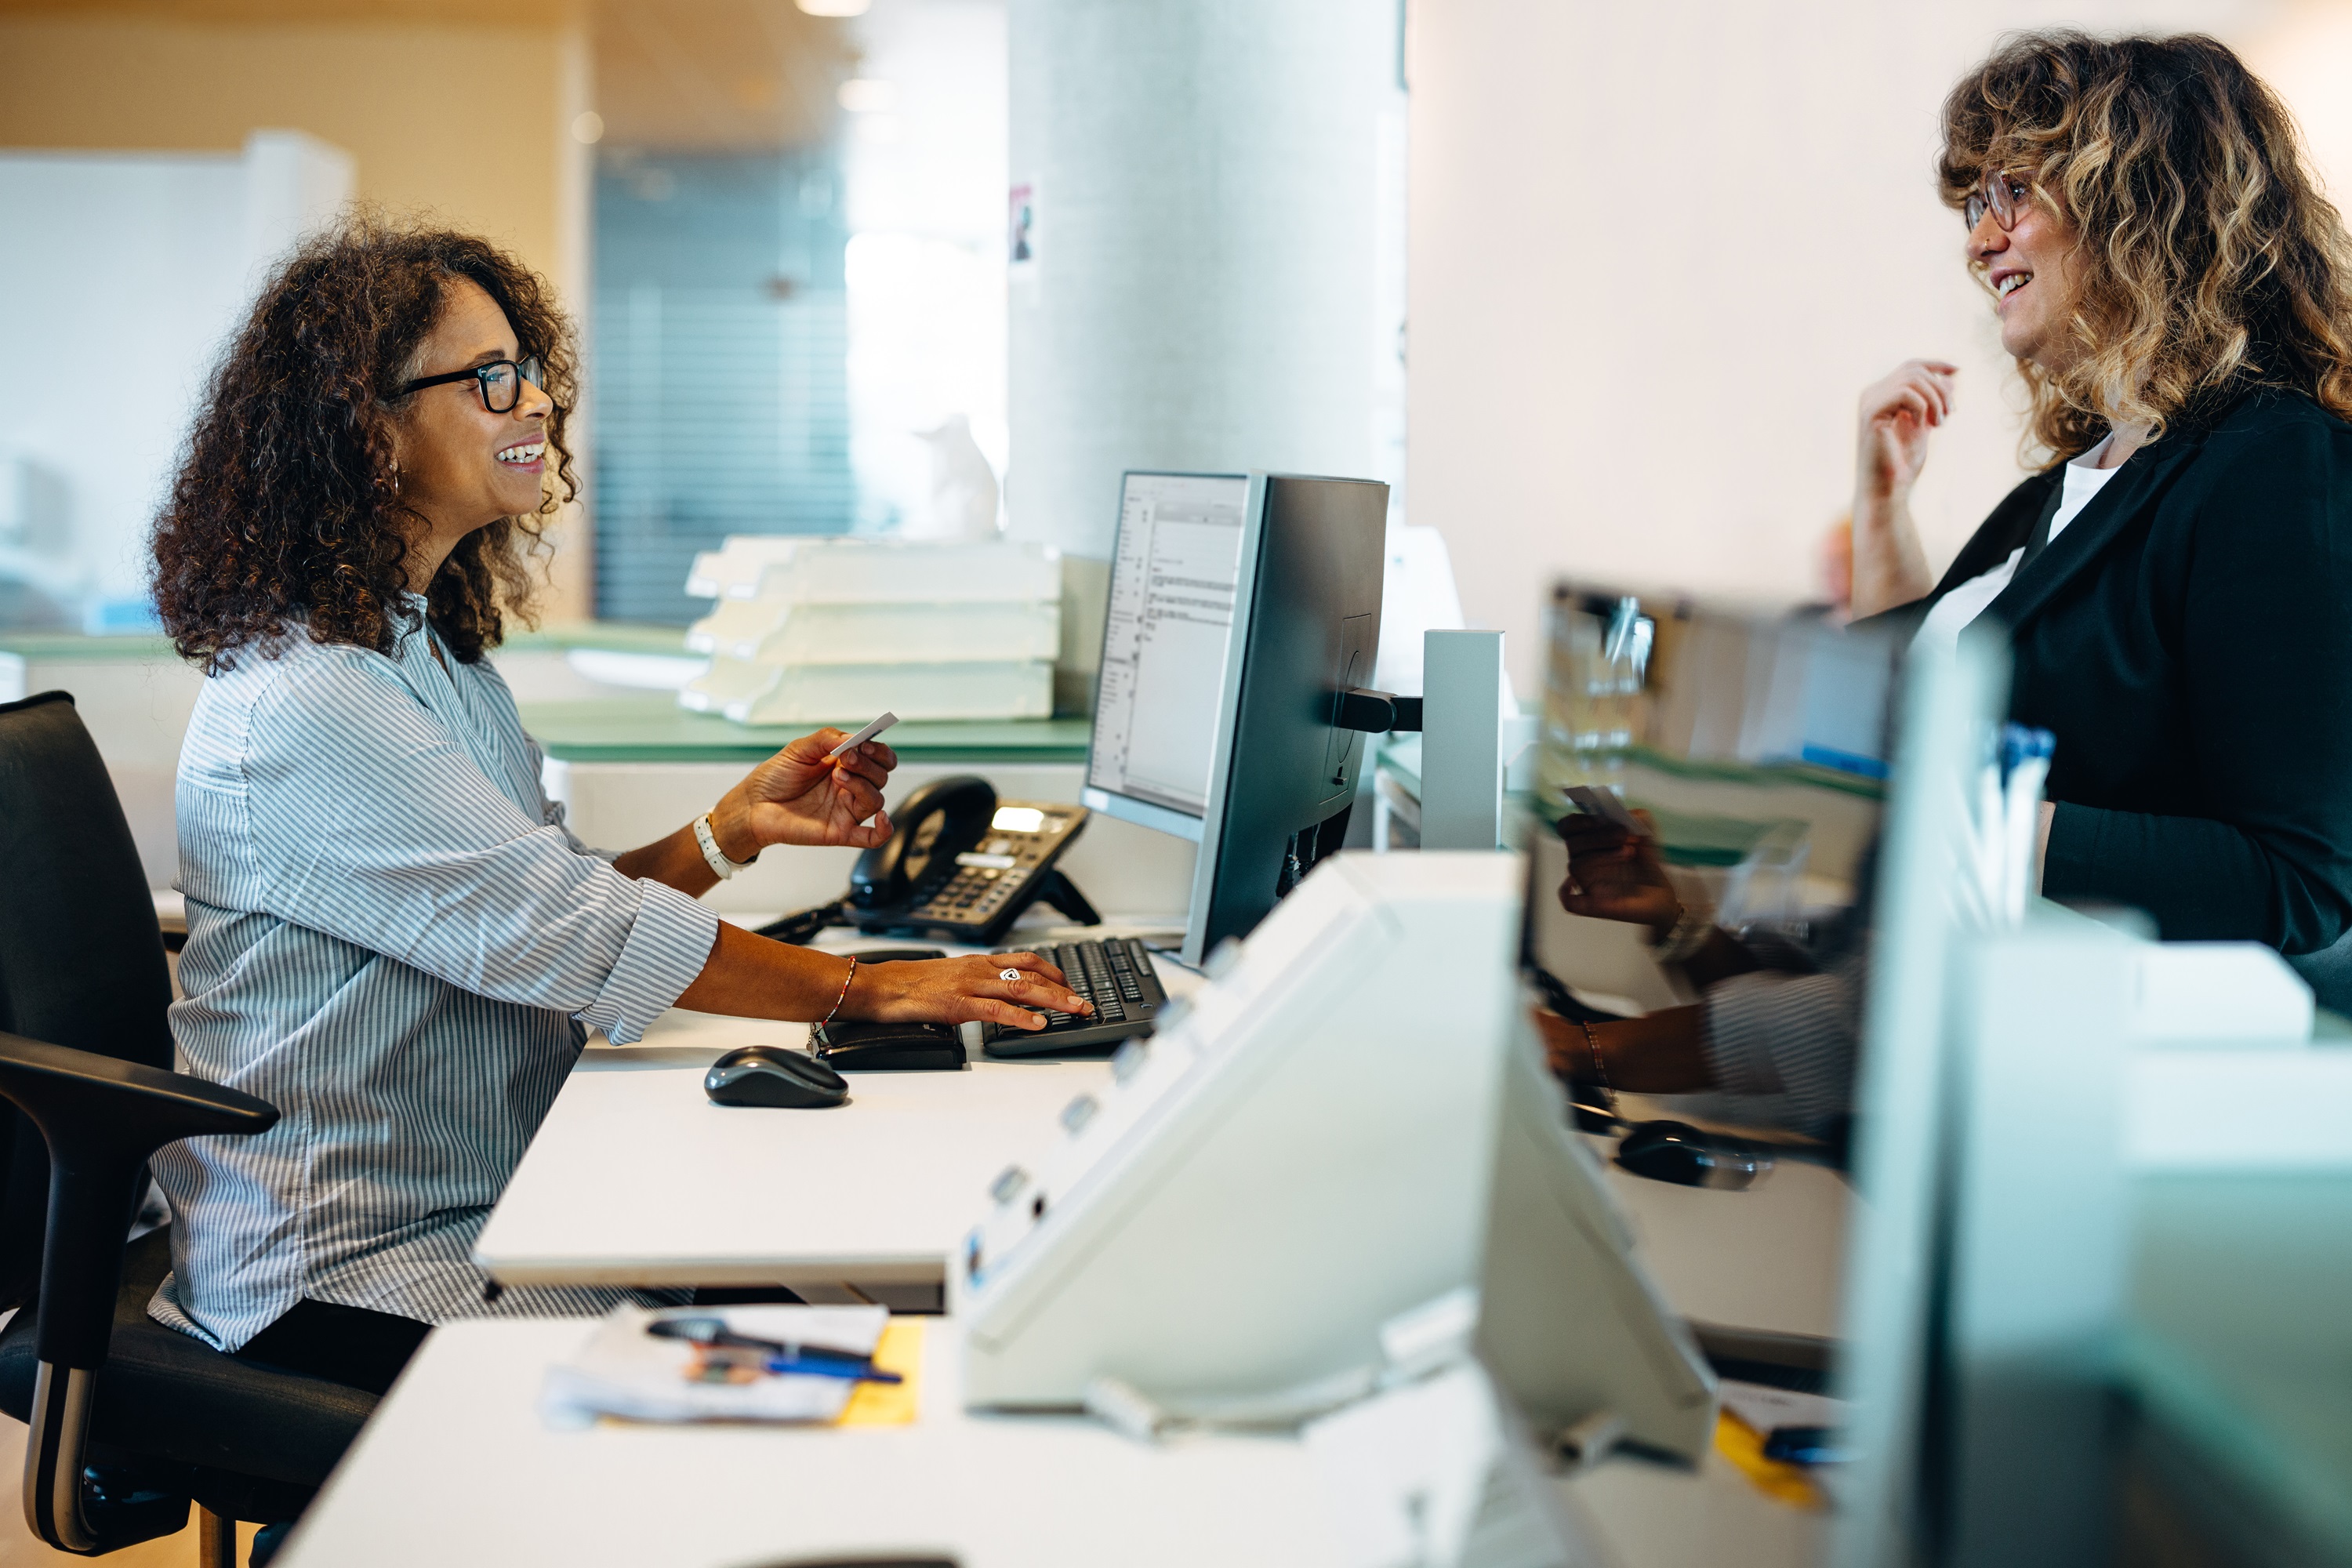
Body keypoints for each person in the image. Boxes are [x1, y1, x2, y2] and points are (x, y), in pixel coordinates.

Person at [145, 216, 1092, 1394]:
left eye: (529, 371)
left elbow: (548, 888)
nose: (533, 403)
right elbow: (576, 934)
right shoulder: (315, 703)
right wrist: (876, 988)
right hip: (353, 1270)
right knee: (851, 1387)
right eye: (489, 380)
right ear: (365, 426)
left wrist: (729, 830)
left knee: (860, 1350)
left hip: (494, 1200)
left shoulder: (421, 653)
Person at [1850, 30, 2352, 960]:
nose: (1981, 240)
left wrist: (1960, 825)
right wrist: (1885, 511)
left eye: (2015, 193)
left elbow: (2297, 876)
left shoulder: (2276, 465)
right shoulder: (2075, 482)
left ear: (2143, 205)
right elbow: (1911, 698)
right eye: (1974, 203)